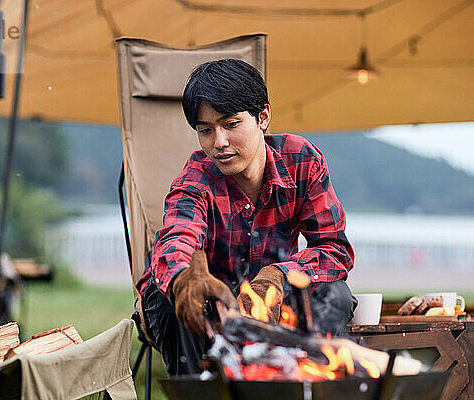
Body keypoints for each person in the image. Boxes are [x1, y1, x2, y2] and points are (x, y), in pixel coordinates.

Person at [136, 59, 357, 376]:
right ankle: (198, 392)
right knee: (176, 298)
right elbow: (175, 240)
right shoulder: (195, 180)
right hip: (211, 306)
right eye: (205, 130)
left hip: (272, 305)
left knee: (335, 294)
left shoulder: (302, 160)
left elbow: (335, 249)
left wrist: (279, 274)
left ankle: (306, 383)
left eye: (230, 124)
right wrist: (186, 280)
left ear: (263, 116)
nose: (219, 143)